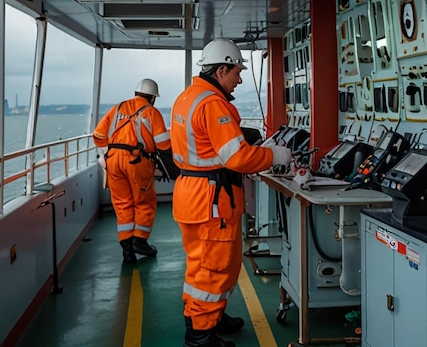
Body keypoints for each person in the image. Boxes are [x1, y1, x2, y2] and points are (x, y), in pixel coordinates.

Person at [170, 39, 292, 347]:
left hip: (192, 194)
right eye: (236, 72)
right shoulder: (212, 104)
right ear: (221, 69)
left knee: (201, 265)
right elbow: (236, 157)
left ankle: (208, 316)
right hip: (212, 200)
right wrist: (273, 156)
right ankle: (200, 335)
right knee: (215, 268)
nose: (239, 78)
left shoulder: (188, 97)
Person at [93, 78, 171, 264]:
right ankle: (140, 242)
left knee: (122, 204)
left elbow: (98, 135)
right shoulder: (152, 112)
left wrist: (107, 153)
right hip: (137, 161)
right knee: (144, 202)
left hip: (113, 161)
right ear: (153, 98)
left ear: (136, 93)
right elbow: (163, 144)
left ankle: (127, 251)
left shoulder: (117, 108)